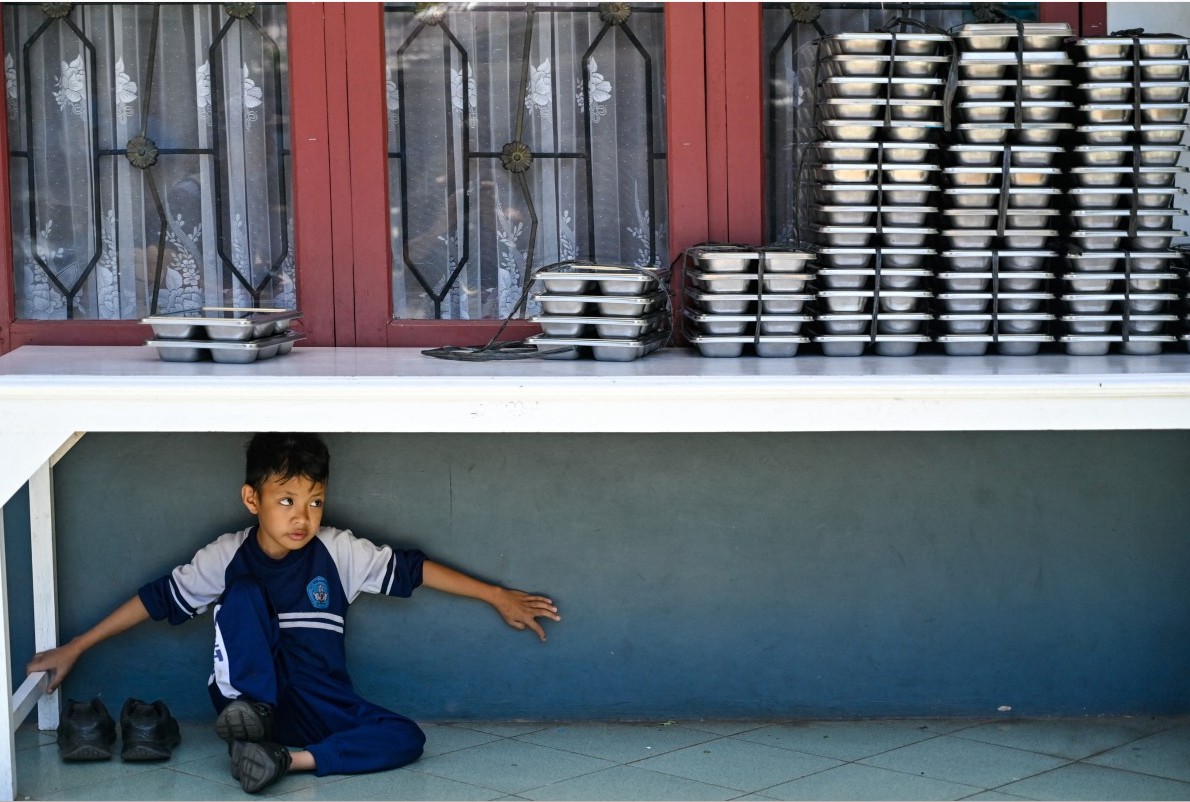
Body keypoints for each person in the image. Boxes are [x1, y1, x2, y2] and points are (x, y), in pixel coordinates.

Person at [27, 432, 561, 793]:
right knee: (241, 594)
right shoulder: (227, 555)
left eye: (315, 500)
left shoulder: (339, 553)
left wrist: (497, 595)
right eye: (286, 500)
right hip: (249, 701)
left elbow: (413, 571)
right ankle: (253, 718)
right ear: (252, 499)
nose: (302, 516)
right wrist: (76, 646)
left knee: (405, 738)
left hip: (321, 706)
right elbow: (157, 599)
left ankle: (282, 760)